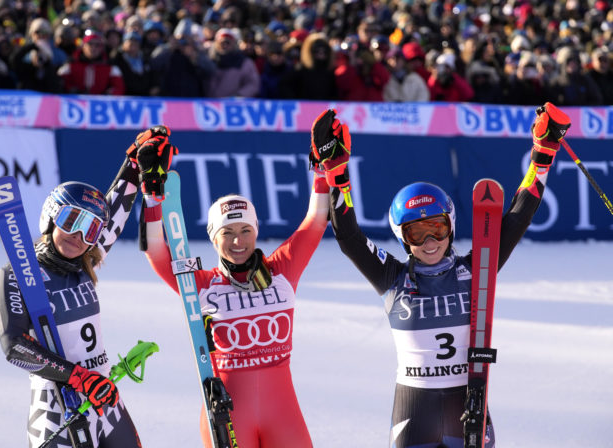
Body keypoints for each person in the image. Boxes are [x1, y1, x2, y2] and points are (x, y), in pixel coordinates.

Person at [310, 104, 571, 448]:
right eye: (417, 233)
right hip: (413, 411)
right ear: (403, 237)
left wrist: (543, 154)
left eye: (437, 228)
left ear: (451, 225)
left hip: (468, 402)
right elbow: (348, 237)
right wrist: (336, 171)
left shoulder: (477, 269)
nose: (430, 241)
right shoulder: (392, 277)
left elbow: (517, 217)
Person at [136, 124, 330, 447]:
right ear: (213, 238)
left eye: (245, 230)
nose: (238, 241)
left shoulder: (282, 268)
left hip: (283, 414)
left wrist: (323, 168)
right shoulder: (201, 285)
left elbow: (316, 220)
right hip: (228, 414)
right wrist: (152, 199)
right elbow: (156, 252)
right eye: (227, 233)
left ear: (256, 231)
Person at [0, 127, 172, 447]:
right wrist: (77, 378)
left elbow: (114, 214)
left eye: (90, 228)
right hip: (56, 410)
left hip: (104, 403)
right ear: (50, 217)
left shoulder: (84, 262)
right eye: (71, 220)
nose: (79, 235)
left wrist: (135, 163)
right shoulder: (18, 274)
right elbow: (14, 346)